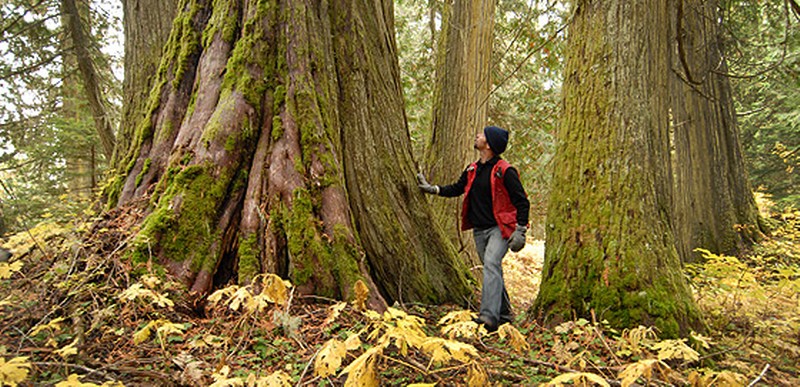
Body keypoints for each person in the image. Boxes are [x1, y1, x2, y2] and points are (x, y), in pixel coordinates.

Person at [417, 125, 529, 332]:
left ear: (489, 143)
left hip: (500, 229)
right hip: (479, 230)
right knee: (492, 267)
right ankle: (504, 314)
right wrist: (432, 189)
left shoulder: (505, 171)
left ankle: (488, 317)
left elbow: (522, 202)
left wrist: (520, 230)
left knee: (491, 263)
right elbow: (457, 188)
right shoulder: (472, 169)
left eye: (482, 135)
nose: (477, 136)